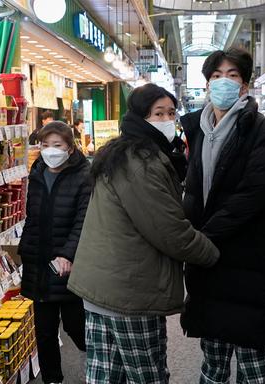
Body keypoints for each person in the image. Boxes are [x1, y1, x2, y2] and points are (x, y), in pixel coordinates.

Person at [68, 84, 220, 384]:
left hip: (102, 288)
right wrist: (212, 253)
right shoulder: (142, 163)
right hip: (130, 294)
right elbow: (170, 231)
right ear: (140, 117)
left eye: (171, 113)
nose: (166, 119)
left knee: (105, 377)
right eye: (157, 113)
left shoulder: (124, 152)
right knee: (146, 376)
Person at [179, 48, 265, 384]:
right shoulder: (195, 130)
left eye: (233, 75)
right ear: (207, 84)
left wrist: (203, 237)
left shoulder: (260, 130)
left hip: (248, 257)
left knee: (252, 360)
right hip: (208, 263)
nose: (224, 82)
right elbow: (190, 191)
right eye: (216, 76)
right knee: (213, 361)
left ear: (244, 85)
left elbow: (256, 193)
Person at [19, 122, 90, 384]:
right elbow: (31, 217)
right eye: (45, 145)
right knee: (45, 332)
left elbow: (83, 221)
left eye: (57, 145)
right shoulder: (37, 173)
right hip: (39, 263)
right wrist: (25, 249)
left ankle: (94, 366)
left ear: (70, 148)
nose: (50, 151)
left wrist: (68, 254)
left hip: (68, 266)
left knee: (75, 325)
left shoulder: (84, 176)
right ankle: (52, 379)